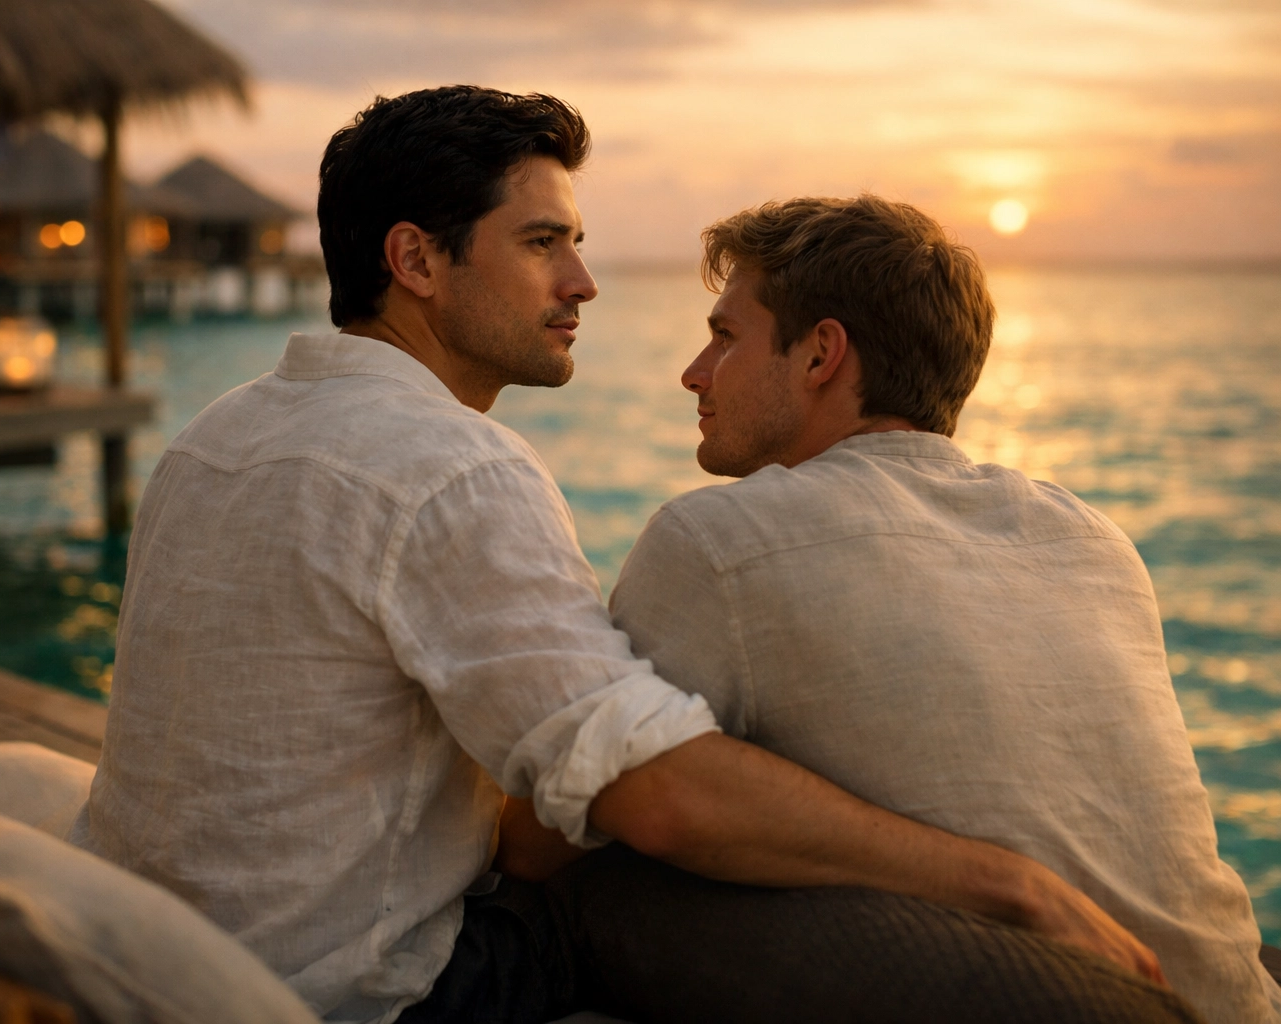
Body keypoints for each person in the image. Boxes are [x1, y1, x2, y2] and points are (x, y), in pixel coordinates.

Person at [72, 87, 1191, 1024]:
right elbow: (648, 794)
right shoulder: (456, 469)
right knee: (620, 865)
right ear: (415, 259)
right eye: (542, 242)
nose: (584, 284)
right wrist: (1002, 880)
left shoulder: (212, 437)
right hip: (366, 997)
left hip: (158, 952)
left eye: (580, 244)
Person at [607, 193, 1280, 1023]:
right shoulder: (1093, 537)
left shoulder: (717, 540)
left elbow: (578, 814)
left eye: (724, 336)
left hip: (1039, 997)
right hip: (1236, 997)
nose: (694, 371)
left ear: (821, 354)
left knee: (593, 880)